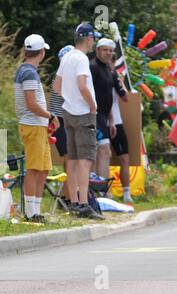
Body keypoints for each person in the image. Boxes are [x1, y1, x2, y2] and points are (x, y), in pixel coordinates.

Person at [53, 22, 104, 220]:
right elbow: (83, 85)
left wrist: (70, 98)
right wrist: (92, 105)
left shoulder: (66, 57)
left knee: (72, 160)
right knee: (85, 160)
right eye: (93, 39)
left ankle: (74, 202)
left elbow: (57, 86)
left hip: (69, 113)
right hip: (84, 113)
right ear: (89, 38)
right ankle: (84, 204)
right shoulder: (82, 59)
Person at [14, 34, 59, 222]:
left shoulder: (25, 70)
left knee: (43, 168)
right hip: (32, 125)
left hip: (37, 125)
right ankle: (31, 213)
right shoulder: (29, 73)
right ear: (41, 53)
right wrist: (51, 116)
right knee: (34, 169)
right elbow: (31, 104)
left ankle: (36, 211)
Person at [90, 38, 128, 193]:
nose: (108, 53)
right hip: (93, 114)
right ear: (97, 50)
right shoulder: (92, 67)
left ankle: (101, 191)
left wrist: (111, 121)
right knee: (102, 151)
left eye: (111, 51)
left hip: (104, 116)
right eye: (105, 50)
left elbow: (117, 97)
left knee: (104, 152)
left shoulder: (109, 71)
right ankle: (100, 191)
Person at [49, 45, 74, 205]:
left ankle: (67, 196)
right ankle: (68, 197)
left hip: (65, 120)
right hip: (60, 120)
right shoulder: (61, 78)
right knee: (70, 159)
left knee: (70, 161)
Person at [108, 54, 134, 204]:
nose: (112, 66)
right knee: (101, 157)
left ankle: (126, 193)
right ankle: (104, 192)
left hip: (116, 121)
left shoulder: (114, 77)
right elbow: (125, 96)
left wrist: (121, 81)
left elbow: (125, 97)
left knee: (124, 158)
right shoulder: (99, 74)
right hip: (103, 121)